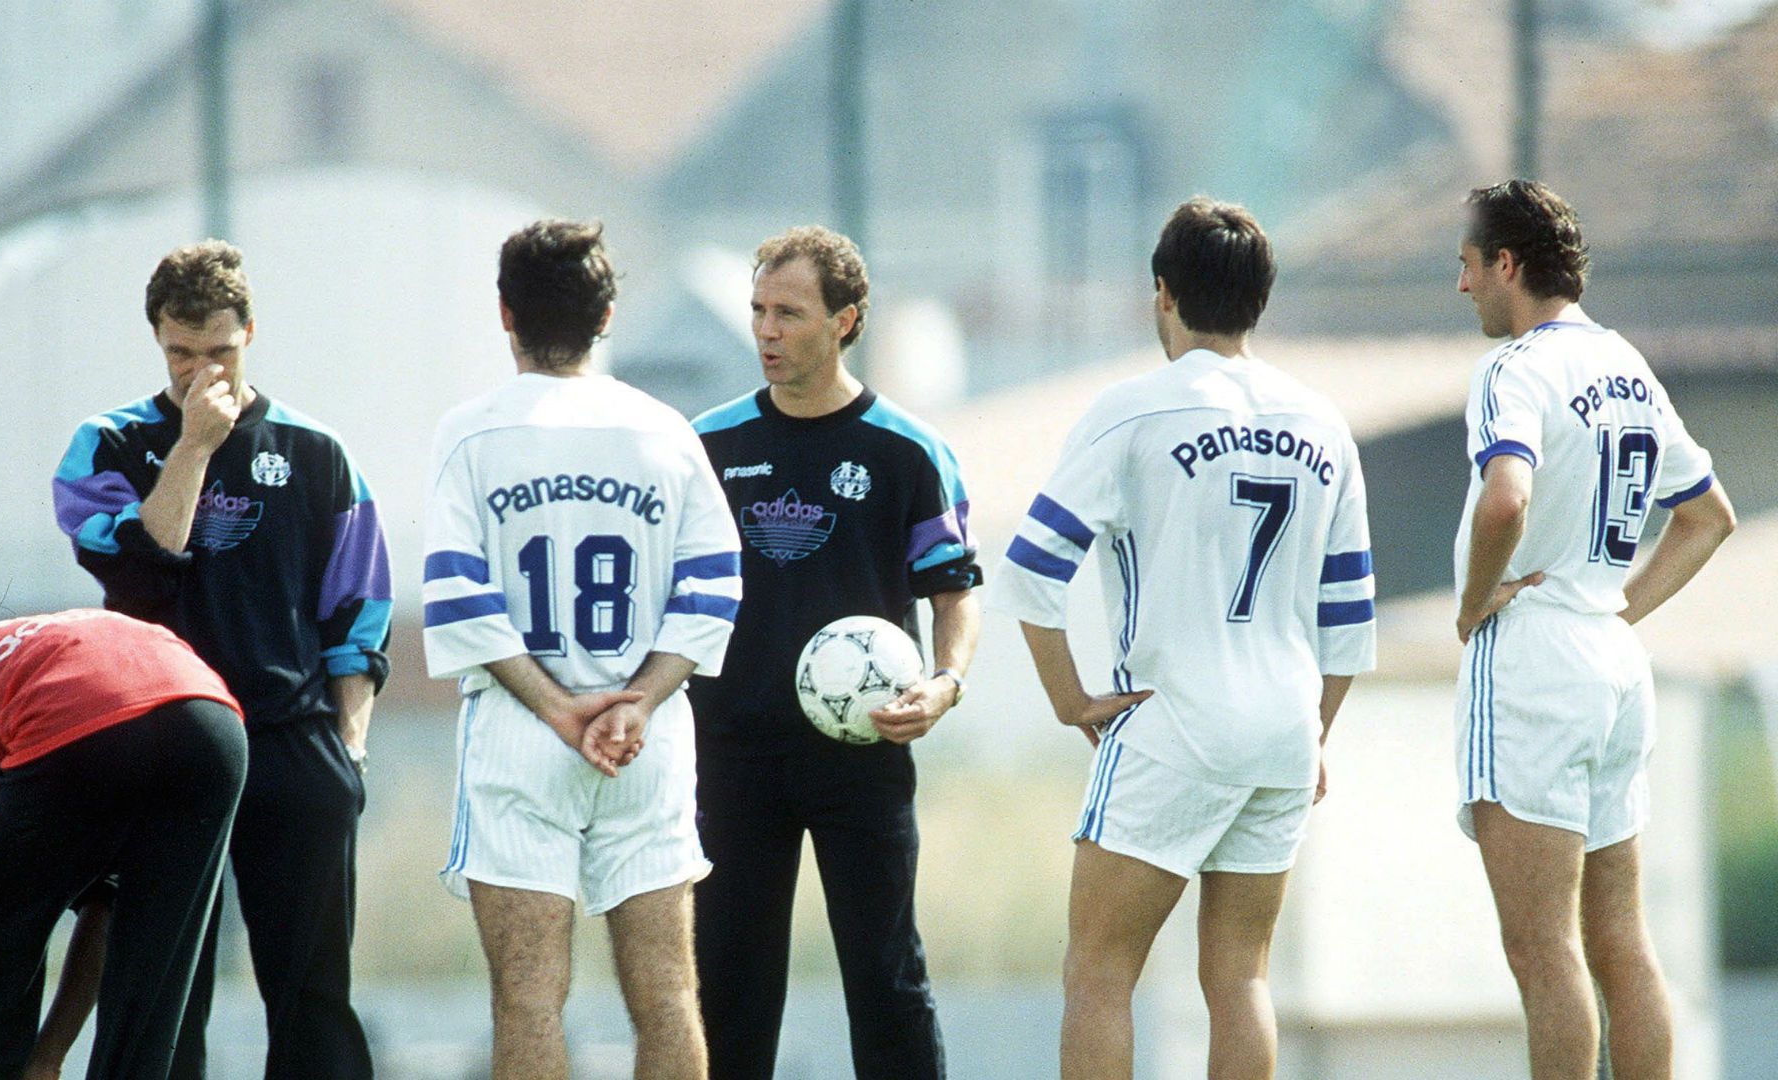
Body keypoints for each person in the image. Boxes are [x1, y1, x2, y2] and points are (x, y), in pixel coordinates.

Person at [992, 198, 1377, 1079]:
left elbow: (1032, 570)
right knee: (1241, 976)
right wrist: (1313, 730)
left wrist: (1069, 699)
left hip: (1174, 722)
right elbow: (1349, 621)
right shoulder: (1322, 422)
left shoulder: (1133, 410)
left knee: (1098, 972)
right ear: (1260, 299)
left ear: (1161, 293)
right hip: (1284, 727)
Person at [50, 240, 392, 1078]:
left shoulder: (316, 452)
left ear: (251, 335)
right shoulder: (109, 444)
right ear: (155, 341)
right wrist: (195, 446)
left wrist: (348, 747)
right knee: (164, 992)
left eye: (219, 353)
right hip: (160, 741)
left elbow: (360, 610)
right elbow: (144, 560)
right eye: (180, 354)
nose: (200, 372)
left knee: (311, 995)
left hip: (290, 738)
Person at [422, 219, 741, 1079]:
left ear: (504, 313)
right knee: (669, 998)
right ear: (606, 317)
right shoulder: (666, 430)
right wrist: (638, 698)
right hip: (647, 735)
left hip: (527, 736)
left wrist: (560, 710)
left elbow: (457, 589)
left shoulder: (473, 431)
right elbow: (714, 585)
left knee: (528, 1003)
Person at [1448, 180, 1735, 1080]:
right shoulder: (1624, 362)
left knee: (1543, 952)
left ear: (1506, 263)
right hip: (1613, 657)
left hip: (1537, 657)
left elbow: (1507, 497)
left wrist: (1471, 601)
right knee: (1621, 940)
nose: (1461, 288)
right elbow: (1708, 516)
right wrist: (1616, 611)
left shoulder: (1514, 367)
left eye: (1466, 264)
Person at [688, 225, 982, 1080]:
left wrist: (945, 684)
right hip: (732, 755)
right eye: (758, 311)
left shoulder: (908, 452)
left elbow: (956, 590)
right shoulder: (707, 446)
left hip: (863, 752)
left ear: (847, 319)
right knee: (730, 990)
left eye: (790, 312)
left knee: (886, 981)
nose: (767, 331)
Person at [0, 608, 246, 1079]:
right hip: (212, 720)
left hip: (77, 719)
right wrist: (49, 1056)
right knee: (148, 1006)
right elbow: (104, 903)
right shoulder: (19, 656)